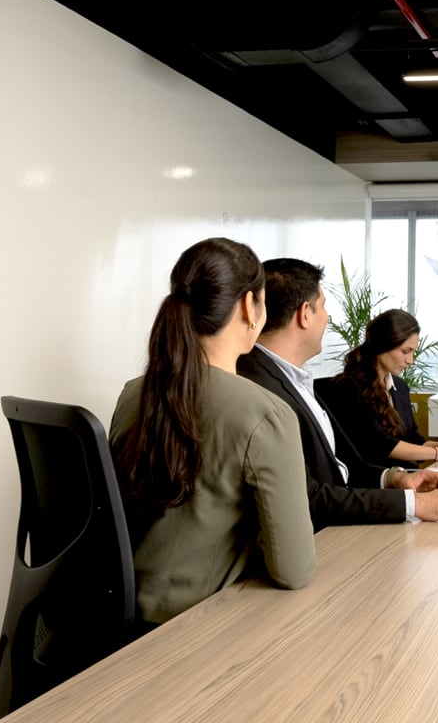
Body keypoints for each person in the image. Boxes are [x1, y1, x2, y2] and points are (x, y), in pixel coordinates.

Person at [109, 238, 315, 626]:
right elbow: (293, 569)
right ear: (247, 307)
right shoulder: (267, 414)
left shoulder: (132, 394)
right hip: (200, 630)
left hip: (124, 618)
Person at [237, 259, 438, 526]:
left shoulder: (296, 381)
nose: (327, 317)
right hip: (324, 534)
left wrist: (396, 478)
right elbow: (308, 497)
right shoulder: (258, 388)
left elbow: (343, 465)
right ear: (305, 313)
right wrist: (413, 504)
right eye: (323, 305)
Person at [317, 309, 438, 464]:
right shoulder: (349, 388)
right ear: (382, 346)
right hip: (375, 484)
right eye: (405, 351)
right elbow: (381, 445)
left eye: (413, 352)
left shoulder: (400, 387)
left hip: (405, 478)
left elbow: (413, 439)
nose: (411, 360)